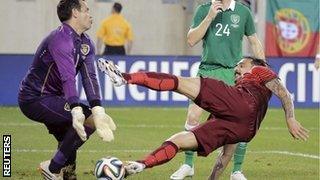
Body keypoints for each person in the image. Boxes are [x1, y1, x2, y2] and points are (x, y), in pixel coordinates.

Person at [97, 57, 309, 180]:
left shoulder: (259, 70)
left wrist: (290, 118)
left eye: (240, 65)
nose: (237, 69)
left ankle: (124, 78)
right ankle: (141, 165)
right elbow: (225, 157)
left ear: (252, 63)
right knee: (180, 141)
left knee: (180, 83)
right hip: (246, 129)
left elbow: (283, 92)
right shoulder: (242, 96)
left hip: (243, 104)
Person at [18, 1, 116, 179]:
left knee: (70, 135)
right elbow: (67, 76)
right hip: (35, 98)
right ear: (75, 13)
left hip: (55, 98)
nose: (90, 14)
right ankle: (53, 167)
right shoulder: (60, 39)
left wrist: (98, 108)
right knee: (85, 121)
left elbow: (89, 78)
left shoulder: (86, 42)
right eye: (86, 10)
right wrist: (76, 108)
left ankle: (68, 175)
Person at [180, 0, 265, 179]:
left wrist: (262, 71)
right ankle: (188, 165)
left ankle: (237, 170)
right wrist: (210, 16)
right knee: (193, 116)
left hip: (233, 73)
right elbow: (191, 40)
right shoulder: (203, 9)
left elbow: (255, 42)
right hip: (207, 70)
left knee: (243, 121)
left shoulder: (243, 12)